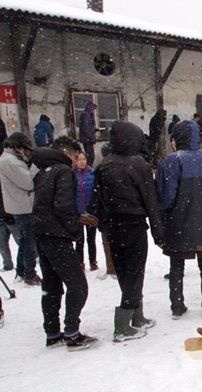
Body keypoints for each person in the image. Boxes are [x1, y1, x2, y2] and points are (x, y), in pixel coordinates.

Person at [92, 121, 164, 342]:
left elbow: (97, 200)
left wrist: (103, 225)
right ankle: (122, 326)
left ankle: (137, 316)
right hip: (133, 225)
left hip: (113, 227)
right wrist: (159, 234)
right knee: (135, 271)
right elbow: (150, 199)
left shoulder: (105, 164)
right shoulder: (137, 163)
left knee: (124, 271)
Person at [30, 136, 100, 351]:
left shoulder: (43, 171)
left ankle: (52, 333)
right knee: (78, 286)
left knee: (51, 286)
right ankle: (72, 333)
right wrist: (74, 231)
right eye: (73, 157)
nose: (74, 162)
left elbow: (49, 206)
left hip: (42, 234)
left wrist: (77, 217)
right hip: (57, 237)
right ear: (67, 153)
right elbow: (62, 206)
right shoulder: (62, 171)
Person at [155, 120, 202, 319]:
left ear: (176, 139)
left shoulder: (172, 162)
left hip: (178, 222)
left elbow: (166, 197)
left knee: (176, 265)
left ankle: (177, 305)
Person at [0, 133, 41, 286]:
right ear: (18, 147)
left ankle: (22, 270)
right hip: (23, 205)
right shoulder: (10, 161)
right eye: (24, 149)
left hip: (19, 204)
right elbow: (28, 182)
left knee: (25, 240)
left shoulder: (9, 159)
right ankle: (30, 274)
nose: (25, 152)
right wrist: (36, 166)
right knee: (29, 241)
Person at [88, 142, 117, 280]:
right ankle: (113, 268)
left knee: (107, 241)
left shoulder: (100, 170)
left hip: (107, 211)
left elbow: (96, 193)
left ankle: (113, 268)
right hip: (113, 211)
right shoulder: (120, 168)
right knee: (109, 240)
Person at [74, 152, 98, 272]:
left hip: (90, 211)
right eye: (79, 159)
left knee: (91, 239)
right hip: (78, 212)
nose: (82, 161)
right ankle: (80, 262)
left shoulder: (92, 173)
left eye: (84, 159)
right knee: (79, 240)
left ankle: (93, 261)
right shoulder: (72, 175)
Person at [0, 179, 20, 272]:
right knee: (2, 245)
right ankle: (7, 265)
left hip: (10, 217)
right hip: (4, 218)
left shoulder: (5, 183)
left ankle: (27, 262)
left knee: (21, 241)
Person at [78, 102, 97, 166]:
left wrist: (95, 130)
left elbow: (88, 128)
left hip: (87, 138)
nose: (94, 111)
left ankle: (88, 169)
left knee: (90, 156)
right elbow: (87, 129)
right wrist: (91, 137)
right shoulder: (86, 116)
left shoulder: (87, 116)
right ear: (90, 108)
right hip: (87, 139)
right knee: (90, 156)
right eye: (94, 109)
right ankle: (88, 169)